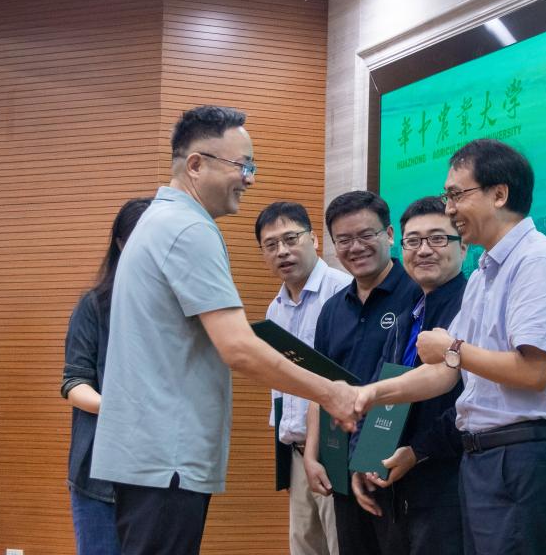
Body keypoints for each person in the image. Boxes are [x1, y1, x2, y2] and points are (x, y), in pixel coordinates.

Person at [90, 105, 359, 555]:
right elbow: (239, 348)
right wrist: (330, 393)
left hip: (149, 455)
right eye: (242, 165)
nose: (249, 179)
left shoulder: (157, 221)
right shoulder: (189, 229)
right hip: (167, 459)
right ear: (196, 164)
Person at [355, 139, 546, 555]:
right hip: (482, 458)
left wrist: (454, 348)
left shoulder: (538, 262)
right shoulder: (482, 274)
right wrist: (370, 395)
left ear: (499, 194)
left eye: (456, 195)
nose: (449, 209)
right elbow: (445, 371)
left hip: (522, 454)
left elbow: (533, 372)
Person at [303, 190, 421, 555]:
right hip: (344, 465)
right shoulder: (332, 310)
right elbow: (320, 387)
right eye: (344, 240)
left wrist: (375, 457)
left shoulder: (417, 293)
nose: (355, 247)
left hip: (400, 466)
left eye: (366, 235)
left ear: (389, 235)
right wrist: (311, 456)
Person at [350, 196, 467, 555]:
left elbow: (474, 402)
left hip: (450, 482)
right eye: (413, 241)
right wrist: (363, 460)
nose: (424, 250)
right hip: (398, 490)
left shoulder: (471, 306)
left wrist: (418, 452)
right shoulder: (405, 318)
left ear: (463, 245)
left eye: (437, 238)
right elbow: (382, 391)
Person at [256, 201, 351, 555]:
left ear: (314, 239)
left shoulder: (343, 291)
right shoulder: (275, 308)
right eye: (271, 245)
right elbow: (281, 389)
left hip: (336, 449)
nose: (282, 251)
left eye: (290, 239)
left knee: (342, 546)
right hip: (296, 453)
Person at [61, 197, 151, 555]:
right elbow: (74, 383)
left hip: (156, 477)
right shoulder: (95, 305)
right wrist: (121, 407)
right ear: (121, 244)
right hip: (98, 478)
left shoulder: (177, 308)